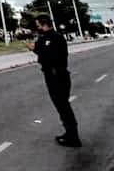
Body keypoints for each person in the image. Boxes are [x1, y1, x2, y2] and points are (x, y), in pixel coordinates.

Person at [29, 14, 80, 147]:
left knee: (63, 106)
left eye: (38, 25)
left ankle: (73, 136)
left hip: (58, 75)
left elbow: (53, 56)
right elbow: (41, 53)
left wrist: (36, 49)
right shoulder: (43, 38)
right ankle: (69, 133)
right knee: (61, 106)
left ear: (43, 23)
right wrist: (35, 50)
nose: (37, 27)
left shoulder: (55, 37)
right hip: (50, 75)